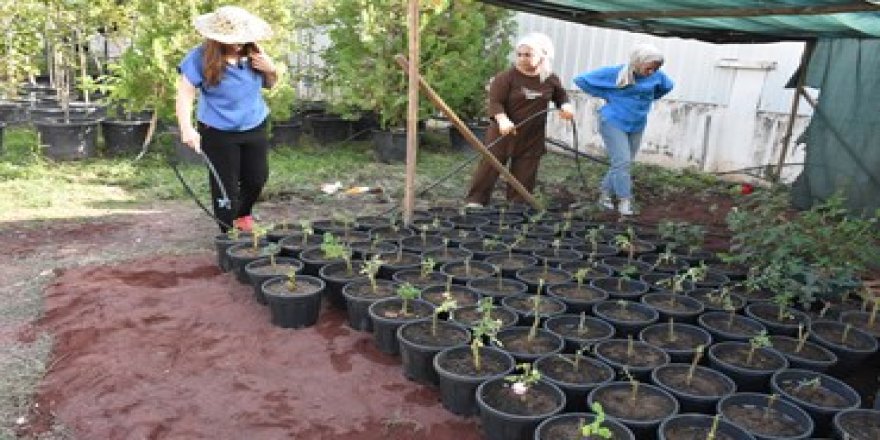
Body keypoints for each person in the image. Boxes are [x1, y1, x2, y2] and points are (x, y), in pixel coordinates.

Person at [176, 6, 278, 233]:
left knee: (257, 179)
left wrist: (271, 70)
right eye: (233, 39)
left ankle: (242, 214)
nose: (239, 43)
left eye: (242, 37)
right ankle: (227, 233)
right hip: (217, 130)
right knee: (225, 187)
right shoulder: (199, 57)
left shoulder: (255, 53)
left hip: (254, 124)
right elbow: (185, 93)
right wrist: (186, 128)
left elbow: (270, 84)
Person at [464, 32, 574, 208]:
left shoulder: (550, 79)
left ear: (542, 56)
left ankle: (517, 207)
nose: (522, 58)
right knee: (490, 167)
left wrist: (566, 107)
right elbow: (495, 102)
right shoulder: (506, 78)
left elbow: (561, 96)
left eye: (528, 55)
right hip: (503, 133)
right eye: (519, 54)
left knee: (525, 174)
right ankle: (476, 201)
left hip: (531, 136)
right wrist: (502, 120)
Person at [573, 43, 673, 216]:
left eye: (656, 68)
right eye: (649, 68)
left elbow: (667, 86)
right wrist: (606, 94)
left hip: (637, 123)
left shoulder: (658, 76)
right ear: (637, 62)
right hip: (613, 121)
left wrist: (648, 98)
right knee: (622, 162)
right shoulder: (616, 73)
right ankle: (624, 201)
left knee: (622, 163)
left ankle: (604, 194)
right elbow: (581, 80)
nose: (652, 72)